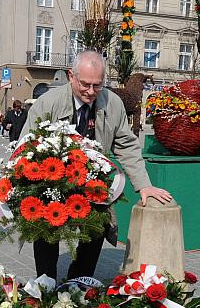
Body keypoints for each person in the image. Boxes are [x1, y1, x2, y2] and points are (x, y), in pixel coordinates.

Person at [21, 50, 172, 280]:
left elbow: (127, 146)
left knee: (99, 225)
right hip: (49, 180)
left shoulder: (113, 104)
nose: (91, 92)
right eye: (85, 84)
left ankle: (79, 282)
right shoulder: (47, 104)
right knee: (45, 228)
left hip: (91, 180)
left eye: (97, 85)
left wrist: (144, 186)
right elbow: (25, 147)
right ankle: (46, 284)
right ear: (71, 76)